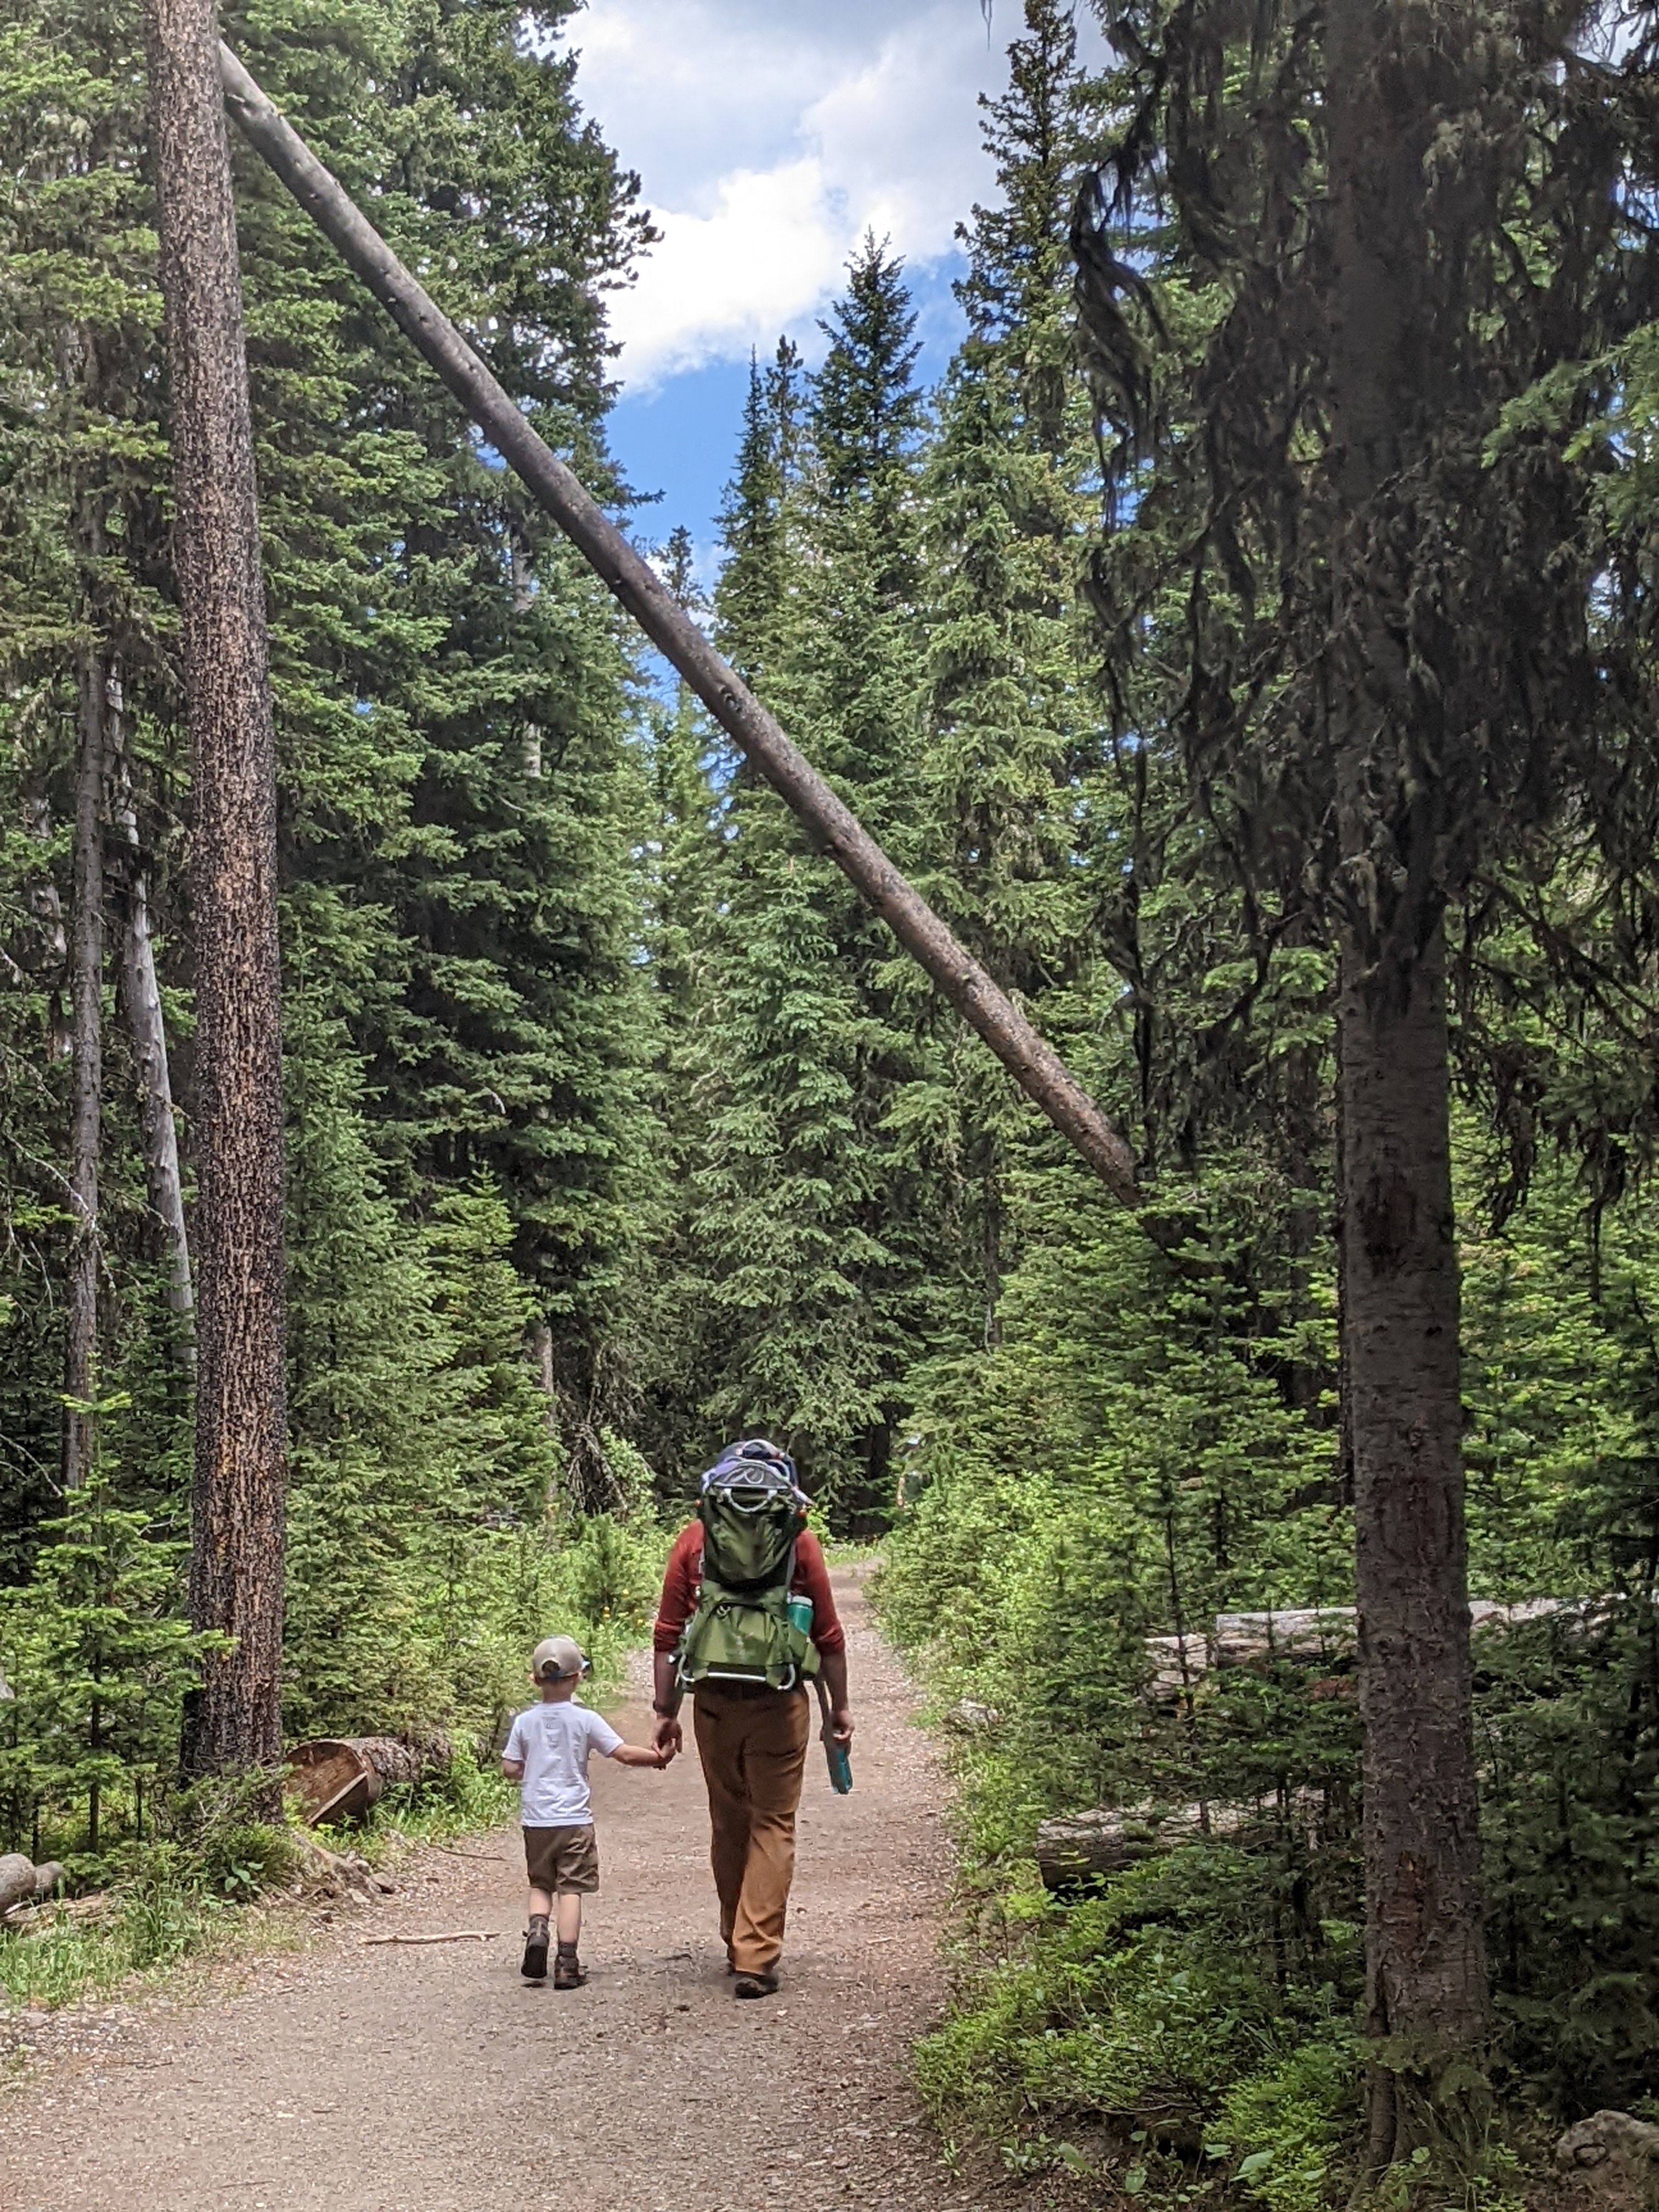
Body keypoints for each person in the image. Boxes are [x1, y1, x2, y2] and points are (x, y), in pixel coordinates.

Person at [650, 1440, 853, 1999]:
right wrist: (839, 1709)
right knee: (773, 1822)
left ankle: (733, 1932)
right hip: (779, 1700)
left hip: (713, 1701)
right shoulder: (798, 1538)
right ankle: (755, 1954)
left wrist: (666, 1711)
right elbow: (828, 1636)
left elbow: (668, 1633)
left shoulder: (695, 1539)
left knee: (729, 1818)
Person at [501, 1633, 668, 1990]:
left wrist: (530, 1769)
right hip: (574, 1821)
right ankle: (567, 1963)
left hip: (537, 1820)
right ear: (579, 1677)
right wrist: (657, 1758)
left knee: (541, 1883)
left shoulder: (524, 1722)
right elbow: (621, 1753)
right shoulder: (585, 1720)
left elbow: (510, 1768)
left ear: (535, 1680)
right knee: (571, 1889)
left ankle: (537, 1931)